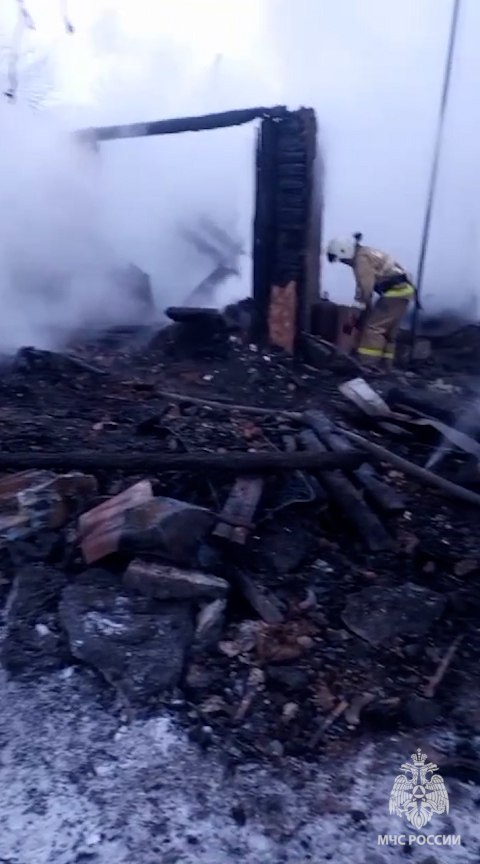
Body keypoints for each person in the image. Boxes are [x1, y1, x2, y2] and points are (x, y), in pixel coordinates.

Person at [326, 234, 416, 370]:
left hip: (395, 292)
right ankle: (386, 366)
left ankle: (368, 365)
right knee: (389, 330)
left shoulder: (361, 260)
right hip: (404, 291)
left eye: (343, 260)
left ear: (344, 251)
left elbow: (365, 288)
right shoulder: (366, 252)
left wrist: (356, 311)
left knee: (373, 329)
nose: (345, 263)